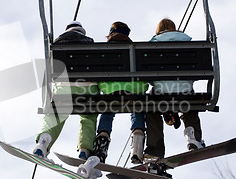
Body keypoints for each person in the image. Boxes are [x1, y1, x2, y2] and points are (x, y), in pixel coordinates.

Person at [144, 18, 205, 167]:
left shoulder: (152, 45)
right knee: (190, 105)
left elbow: (146, 74)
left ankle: (155, 149)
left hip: (161, 93)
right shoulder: (187, 42)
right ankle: (193, 139)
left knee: (151, 109)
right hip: (185, 90)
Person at [33, 21, 99, 159]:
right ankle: (84, 150)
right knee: (88, 117)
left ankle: (43, 143)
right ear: (82, 31)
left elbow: (50, 71)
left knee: (55, 114)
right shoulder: (91, 43)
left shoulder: (56, 45)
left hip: (64, 89)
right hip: (87, 89)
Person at [93, 21, 149, 164]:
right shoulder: (136, 51)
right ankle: (137, 147)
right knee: (137, 108)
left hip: (111, 91)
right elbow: (145, 77)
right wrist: (141, 88)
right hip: (134, 91)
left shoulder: (102, 51)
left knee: (107, 110)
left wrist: (103, 87)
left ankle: (101, 148)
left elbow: (97, 75)